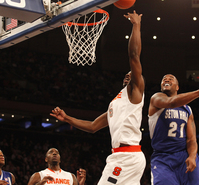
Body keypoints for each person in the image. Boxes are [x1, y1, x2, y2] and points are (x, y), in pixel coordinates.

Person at [50, 10, 146, 185]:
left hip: (127, 156)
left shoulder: (135, 93)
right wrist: (67, 119)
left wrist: (136, 25)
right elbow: (94, 126)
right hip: (123, 156)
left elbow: (134, 55)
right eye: (125, 75)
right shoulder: (117, 102)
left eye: (130, 74)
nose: (127, 75)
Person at [148, 74, 199, 185]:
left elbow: (191, 139)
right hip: (163, 158)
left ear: (177, 87)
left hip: (184, 156)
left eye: (171, 79)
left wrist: (192, 156)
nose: (167, 80)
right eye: (164, 79)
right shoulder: (156, 99)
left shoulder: (187, 109)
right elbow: (171, 102)